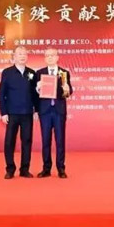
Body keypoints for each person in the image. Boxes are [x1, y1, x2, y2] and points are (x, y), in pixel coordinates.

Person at [31, 48, 72, 178]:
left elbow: (68, 93)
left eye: (52, 55)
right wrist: (38, 88)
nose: (50, 57)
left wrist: (67, 89)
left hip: (59, 111)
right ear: (44, 58)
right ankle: (46, 168)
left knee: (60, 141)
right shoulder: (39, 73)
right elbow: (34, 94)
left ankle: (61, 168)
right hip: (45, 112)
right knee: (46, 141)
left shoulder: (64, 73)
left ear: (57, 57)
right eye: (47, 55)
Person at [0, 46, 37, 179]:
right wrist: (3, 113)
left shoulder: (32, 73)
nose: (22, 56)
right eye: (19, 54)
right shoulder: (7, 72)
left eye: (24, 54)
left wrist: (36, 110)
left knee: (27, 141)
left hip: (27, 113)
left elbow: (35, 94)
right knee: (9, 142)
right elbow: (1, 94)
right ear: (14, 57)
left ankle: (24, 169)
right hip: (12, 113)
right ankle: (10, 169)